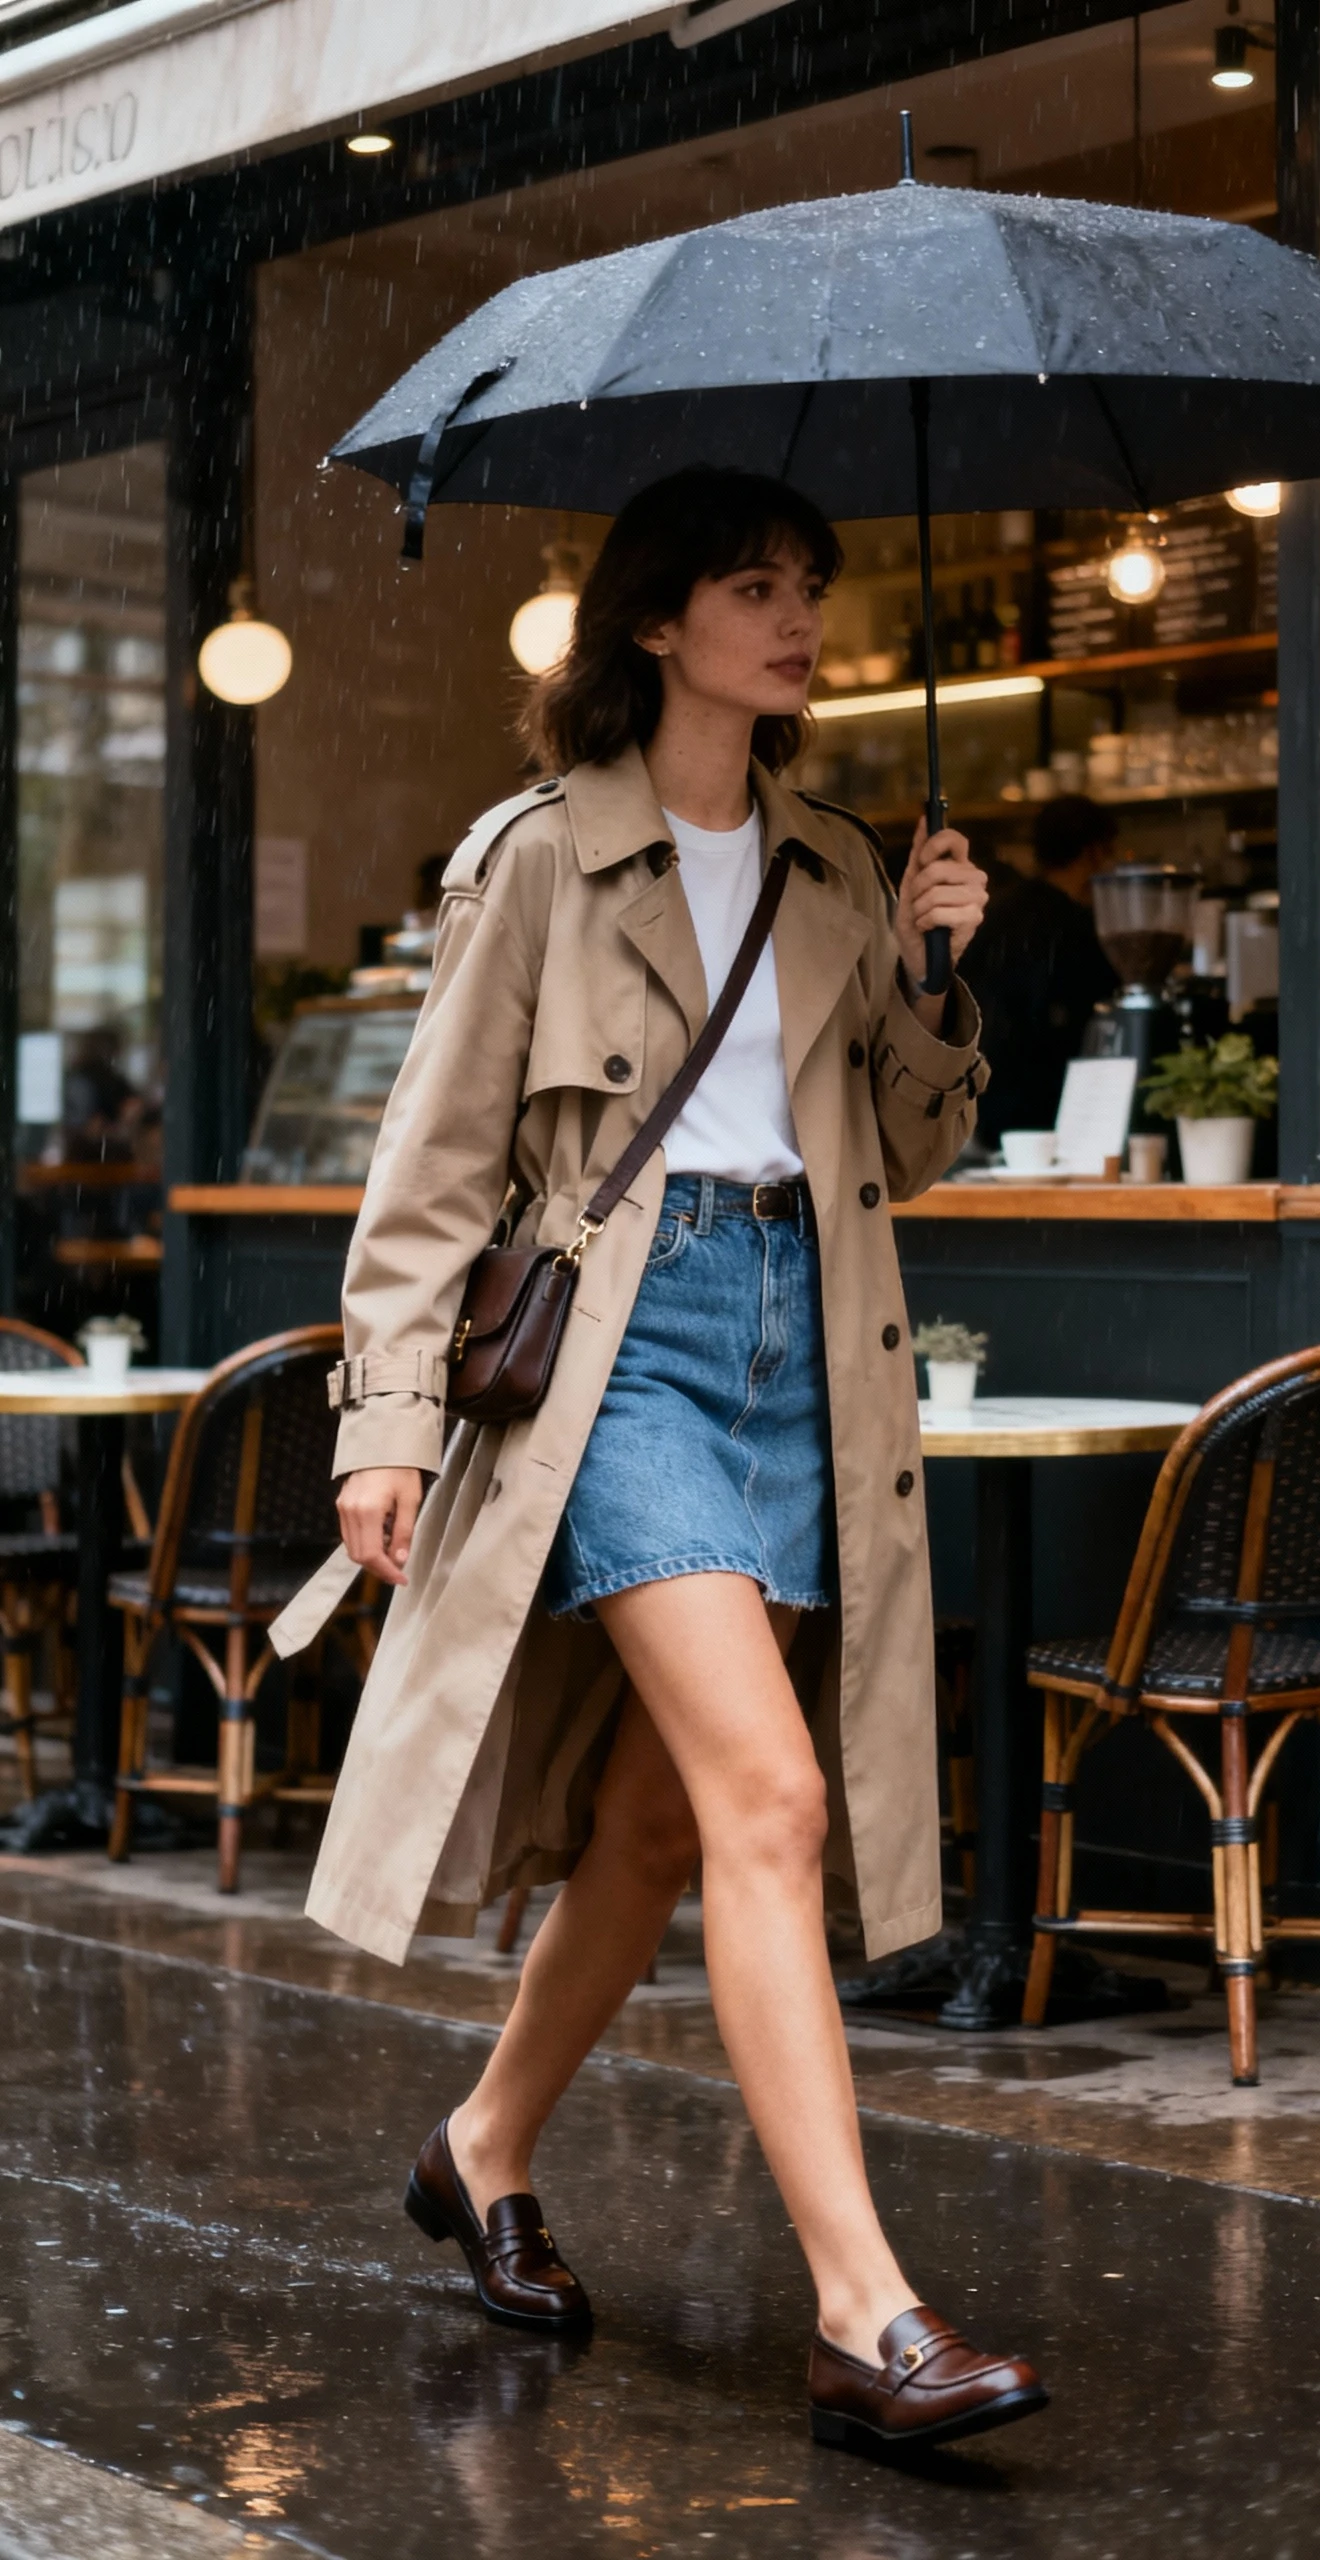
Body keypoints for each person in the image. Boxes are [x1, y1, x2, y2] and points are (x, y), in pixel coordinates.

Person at [301, 468, 1049, 2458]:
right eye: (753, 585)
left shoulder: (834, 856)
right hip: (621, 1357)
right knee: (772, 1794)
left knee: (659, 1826)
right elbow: (432, 1169)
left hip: (798, 1343)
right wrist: (381, 1423)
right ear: (656, 621)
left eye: (809, 585)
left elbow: (906, 1146)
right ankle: (864, 2314)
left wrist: (926, 972)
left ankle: (483, 2138)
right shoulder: (540, 860)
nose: (796, 618)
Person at [962, 793, 1119, 1148]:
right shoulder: (1079, 927)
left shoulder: (998, 913)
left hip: (985, 1099)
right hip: (1053, 1106)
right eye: (1109, 852)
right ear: (1093, 852)